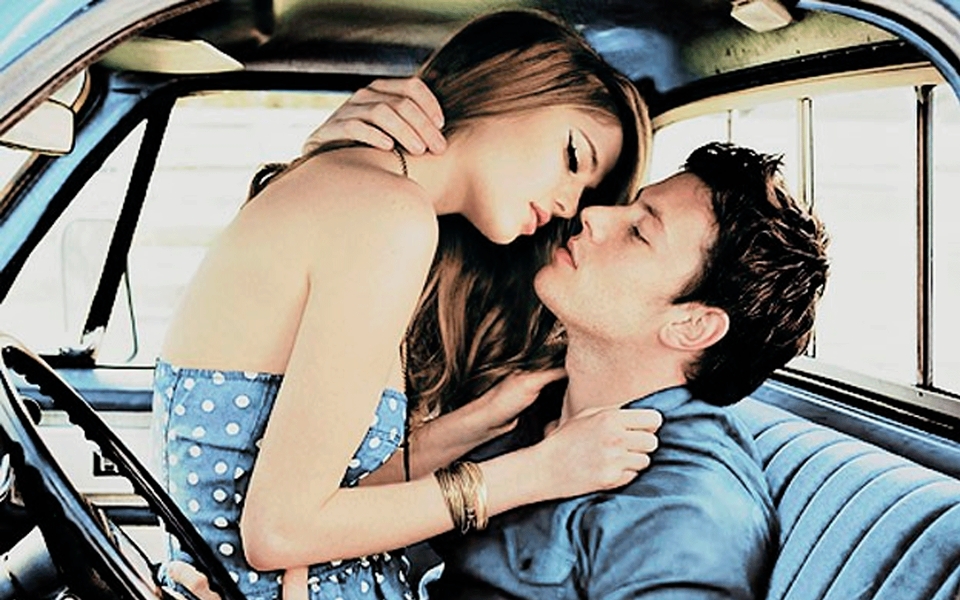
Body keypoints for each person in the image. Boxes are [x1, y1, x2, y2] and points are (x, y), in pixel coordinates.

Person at [153, 9, 658, 600]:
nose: (570, 204)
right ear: (503, 87)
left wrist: (471, 424)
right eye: (573, 157)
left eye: (587, 190)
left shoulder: (354, 188)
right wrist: (540, 472)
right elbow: (280, 531)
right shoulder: (388, 215)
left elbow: (330, 496)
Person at [417, 141, 830, 598]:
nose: (593, 215)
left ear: (691, 326)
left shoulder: (687, 512)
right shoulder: (529, 402)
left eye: (639, 231)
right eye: (631, 206)